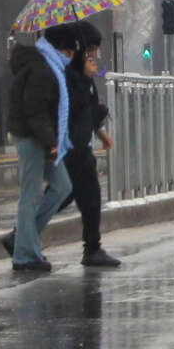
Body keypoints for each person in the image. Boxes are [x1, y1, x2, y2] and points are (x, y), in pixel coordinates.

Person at [5, 24, 77, 272]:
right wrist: (50, 143)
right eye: (70, 51)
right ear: (62, 49)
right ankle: (24, 256)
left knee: (62, 187)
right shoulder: (41, 69)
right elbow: (35, 110)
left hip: (42, 137)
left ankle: (23, 238)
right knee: (30, 194)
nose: (72, 57)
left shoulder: (51, 66)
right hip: (30, 137)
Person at [57, 21, 120, 267]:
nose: (95, 54)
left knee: (90, 198)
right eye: (92, 48)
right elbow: (72, 107)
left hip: (83, 147)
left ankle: (93, 248)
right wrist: (84, 78)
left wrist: (101, 130)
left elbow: (90, 108)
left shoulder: (85, 73)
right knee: (61, 195)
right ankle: (21, 233)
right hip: (71, 146)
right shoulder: (70, 74)